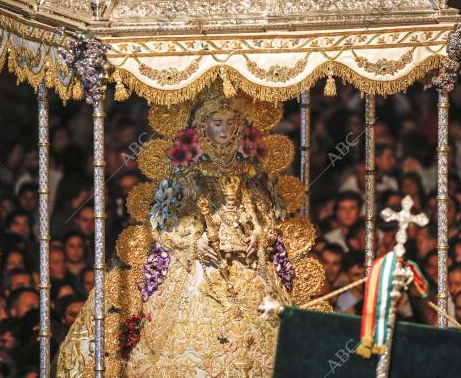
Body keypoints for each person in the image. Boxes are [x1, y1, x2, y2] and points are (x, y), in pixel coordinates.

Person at [57, 81, 323, 377]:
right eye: (217, 123)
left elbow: (267, 219)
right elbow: (164, 227)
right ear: (202, 126)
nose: (223, 130)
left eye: (230, 123)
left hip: (250, 270)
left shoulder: (251, 174)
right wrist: (194, 245)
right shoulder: (186, 176)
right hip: (197, 270)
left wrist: (259, 238)